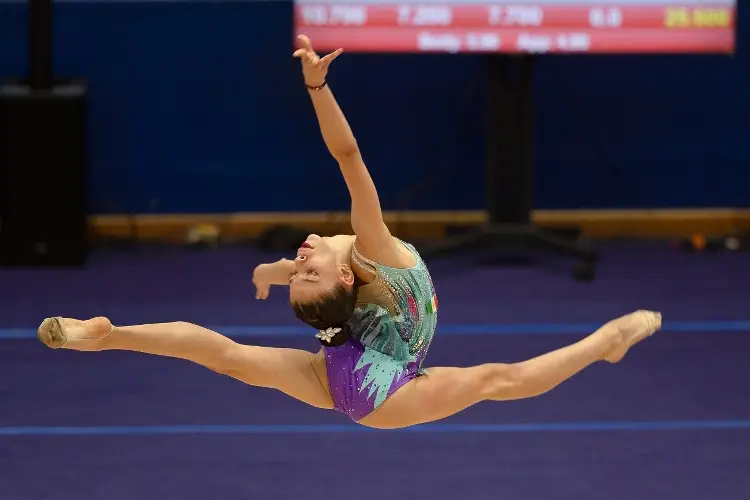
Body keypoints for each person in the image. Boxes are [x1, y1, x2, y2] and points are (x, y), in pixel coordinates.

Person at [37, 36, 662, 430]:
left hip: (345, 370)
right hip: (380, 393)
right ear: (347, 274)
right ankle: (603, 342)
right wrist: (317, 86)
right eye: (307, 266)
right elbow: (348, 156)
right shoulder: (377, 252)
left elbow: (306, 283)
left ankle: (108, 333)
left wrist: (274, 272)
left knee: (226, 358)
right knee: (498, 380)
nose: (302, 253)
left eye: (298, 268)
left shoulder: (334, 281)